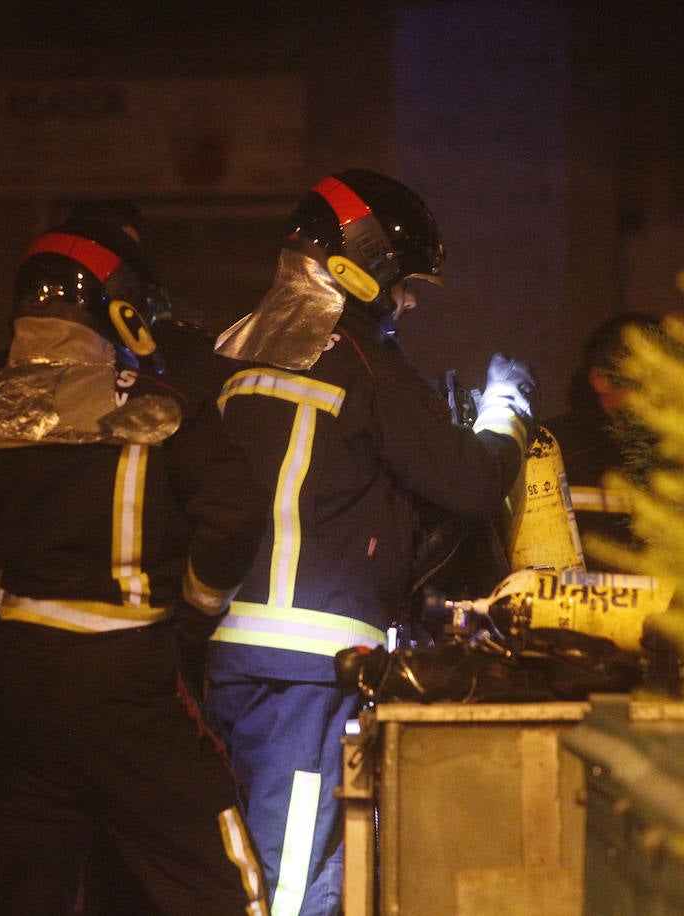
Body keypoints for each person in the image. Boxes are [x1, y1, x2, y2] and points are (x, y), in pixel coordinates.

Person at [0, 218, 271, 914]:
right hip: (126, 675)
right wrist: (192, 617)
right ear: (124, 309)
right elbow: (235, 513)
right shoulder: (157, 412)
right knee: (218, 879)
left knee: (18, 887)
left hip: (19, 678)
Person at [204, 169, 537, 915]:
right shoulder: (361, 362)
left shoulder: (228, 347)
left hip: (226, 655)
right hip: (313, 669)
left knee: (245, 867)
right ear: (361, 267)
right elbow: (471, 481)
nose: (410, 301)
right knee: (294, 887)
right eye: (406, 283)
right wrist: (507, 406)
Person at [544, 312, 662, 572]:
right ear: (601, 379)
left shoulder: (683, 454)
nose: (658, 385)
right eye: (644, 371)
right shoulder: (551, 449)